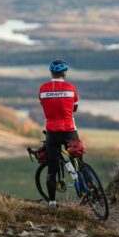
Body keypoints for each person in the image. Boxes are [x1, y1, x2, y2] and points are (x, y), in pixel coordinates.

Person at [38, 59, 80, 210]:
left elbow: (44, 105)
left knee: (52, 169)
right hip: (69, 130)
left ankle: (52, 203)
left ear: (51, 72)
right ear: (64, 73)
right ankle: (85, 186)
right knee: (78, 158)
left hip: (52, 132)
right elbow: (74, 108)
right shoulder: (71, 88)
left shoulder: (43, 89)